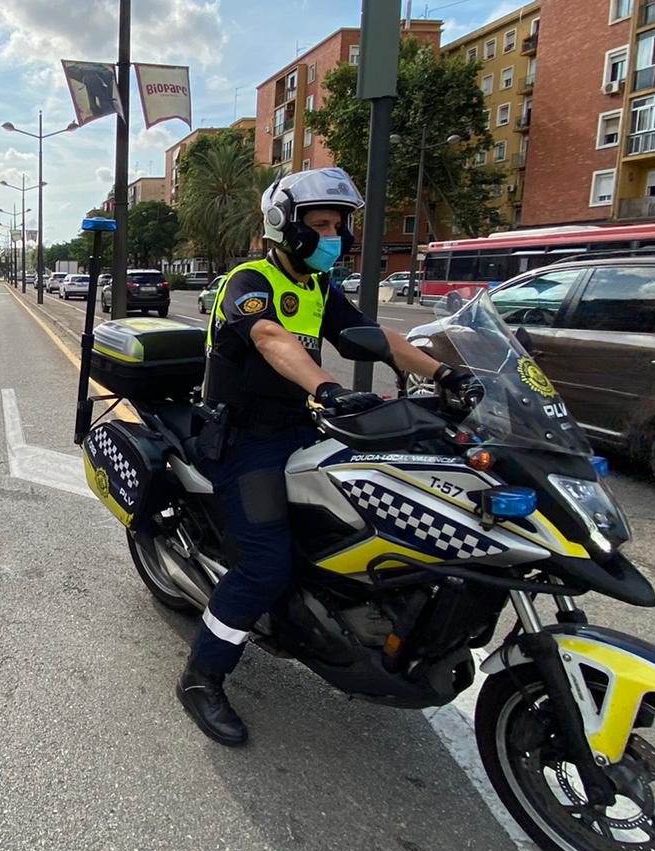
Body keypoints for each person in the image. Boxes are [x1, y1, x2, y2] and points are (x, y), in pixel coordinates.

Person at [177, 169, 480, 747]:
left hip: (302, 428)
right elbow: (270, 338)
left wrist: (445, 373)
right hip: (245, 441)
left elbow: (375, 335)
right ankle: (203, 676)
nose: (334, 236)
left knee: (373, 508)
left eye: (339, 226)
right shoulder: (249, 280)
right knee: (265, 567)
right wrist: (327, 388)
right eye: (321, 226)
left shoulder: (319, 287)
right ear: (284, 229)